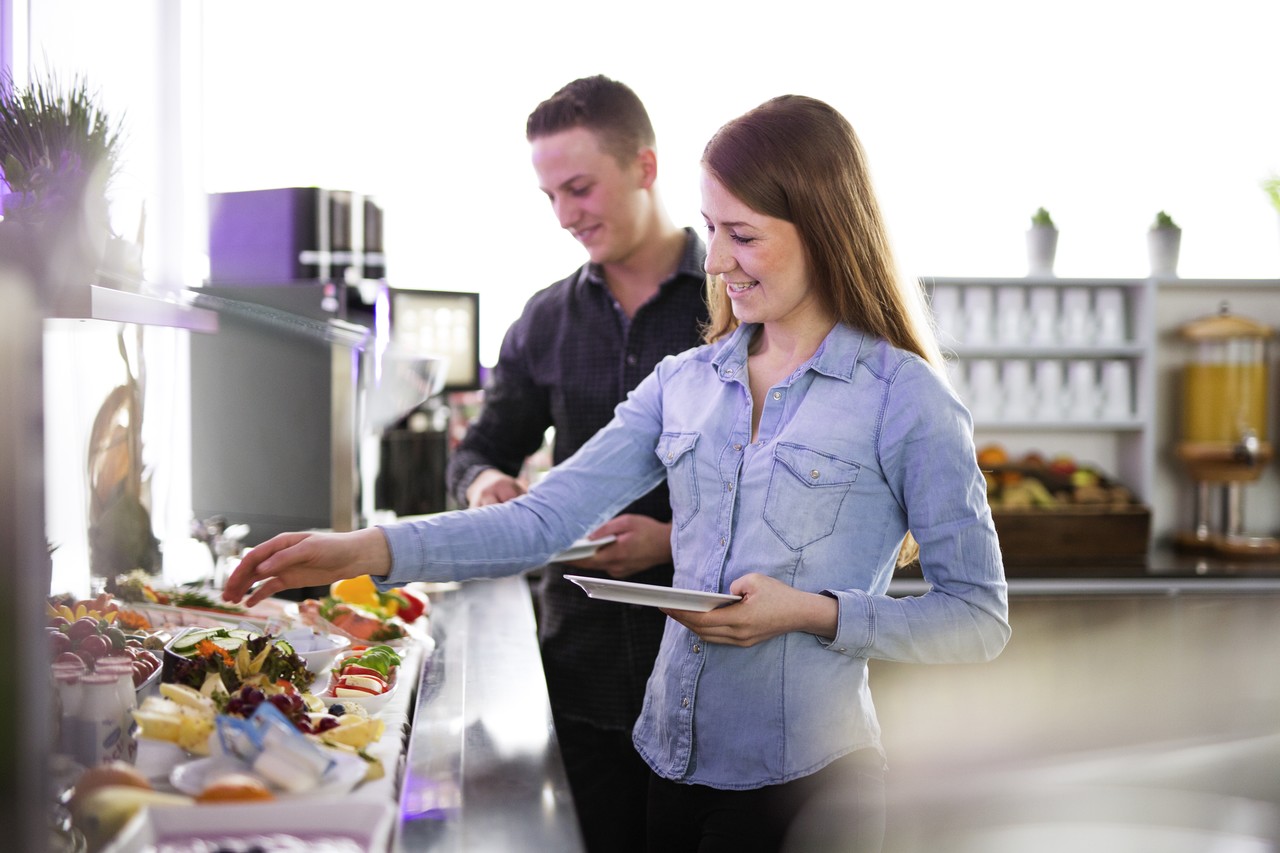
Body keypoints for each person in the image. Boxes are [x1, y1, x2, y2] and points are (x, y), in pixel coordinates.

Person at [225, 94, 1010, 853]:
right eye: (711, 228)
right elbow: (539, 521)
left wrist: (810, 612)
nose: (716, 261)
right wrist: (359, 549)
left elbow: (978, 619)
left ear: (826, 228)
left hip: (810, 792)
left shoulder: (905, 398)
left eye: (742, 234)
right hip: (665, 766)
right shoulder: (684, 382)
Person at [445, 75, 709, 852]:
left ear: (646, 167)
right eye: (550, 196)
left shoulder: (736, 303)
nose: (565, 216)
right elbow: (479, 451)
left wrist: (671, 541)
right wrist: (487, 485)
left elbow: (788, 492)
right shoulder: (545, 319)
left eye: (581, 188)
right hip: (581, 679)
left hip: (714, 686)